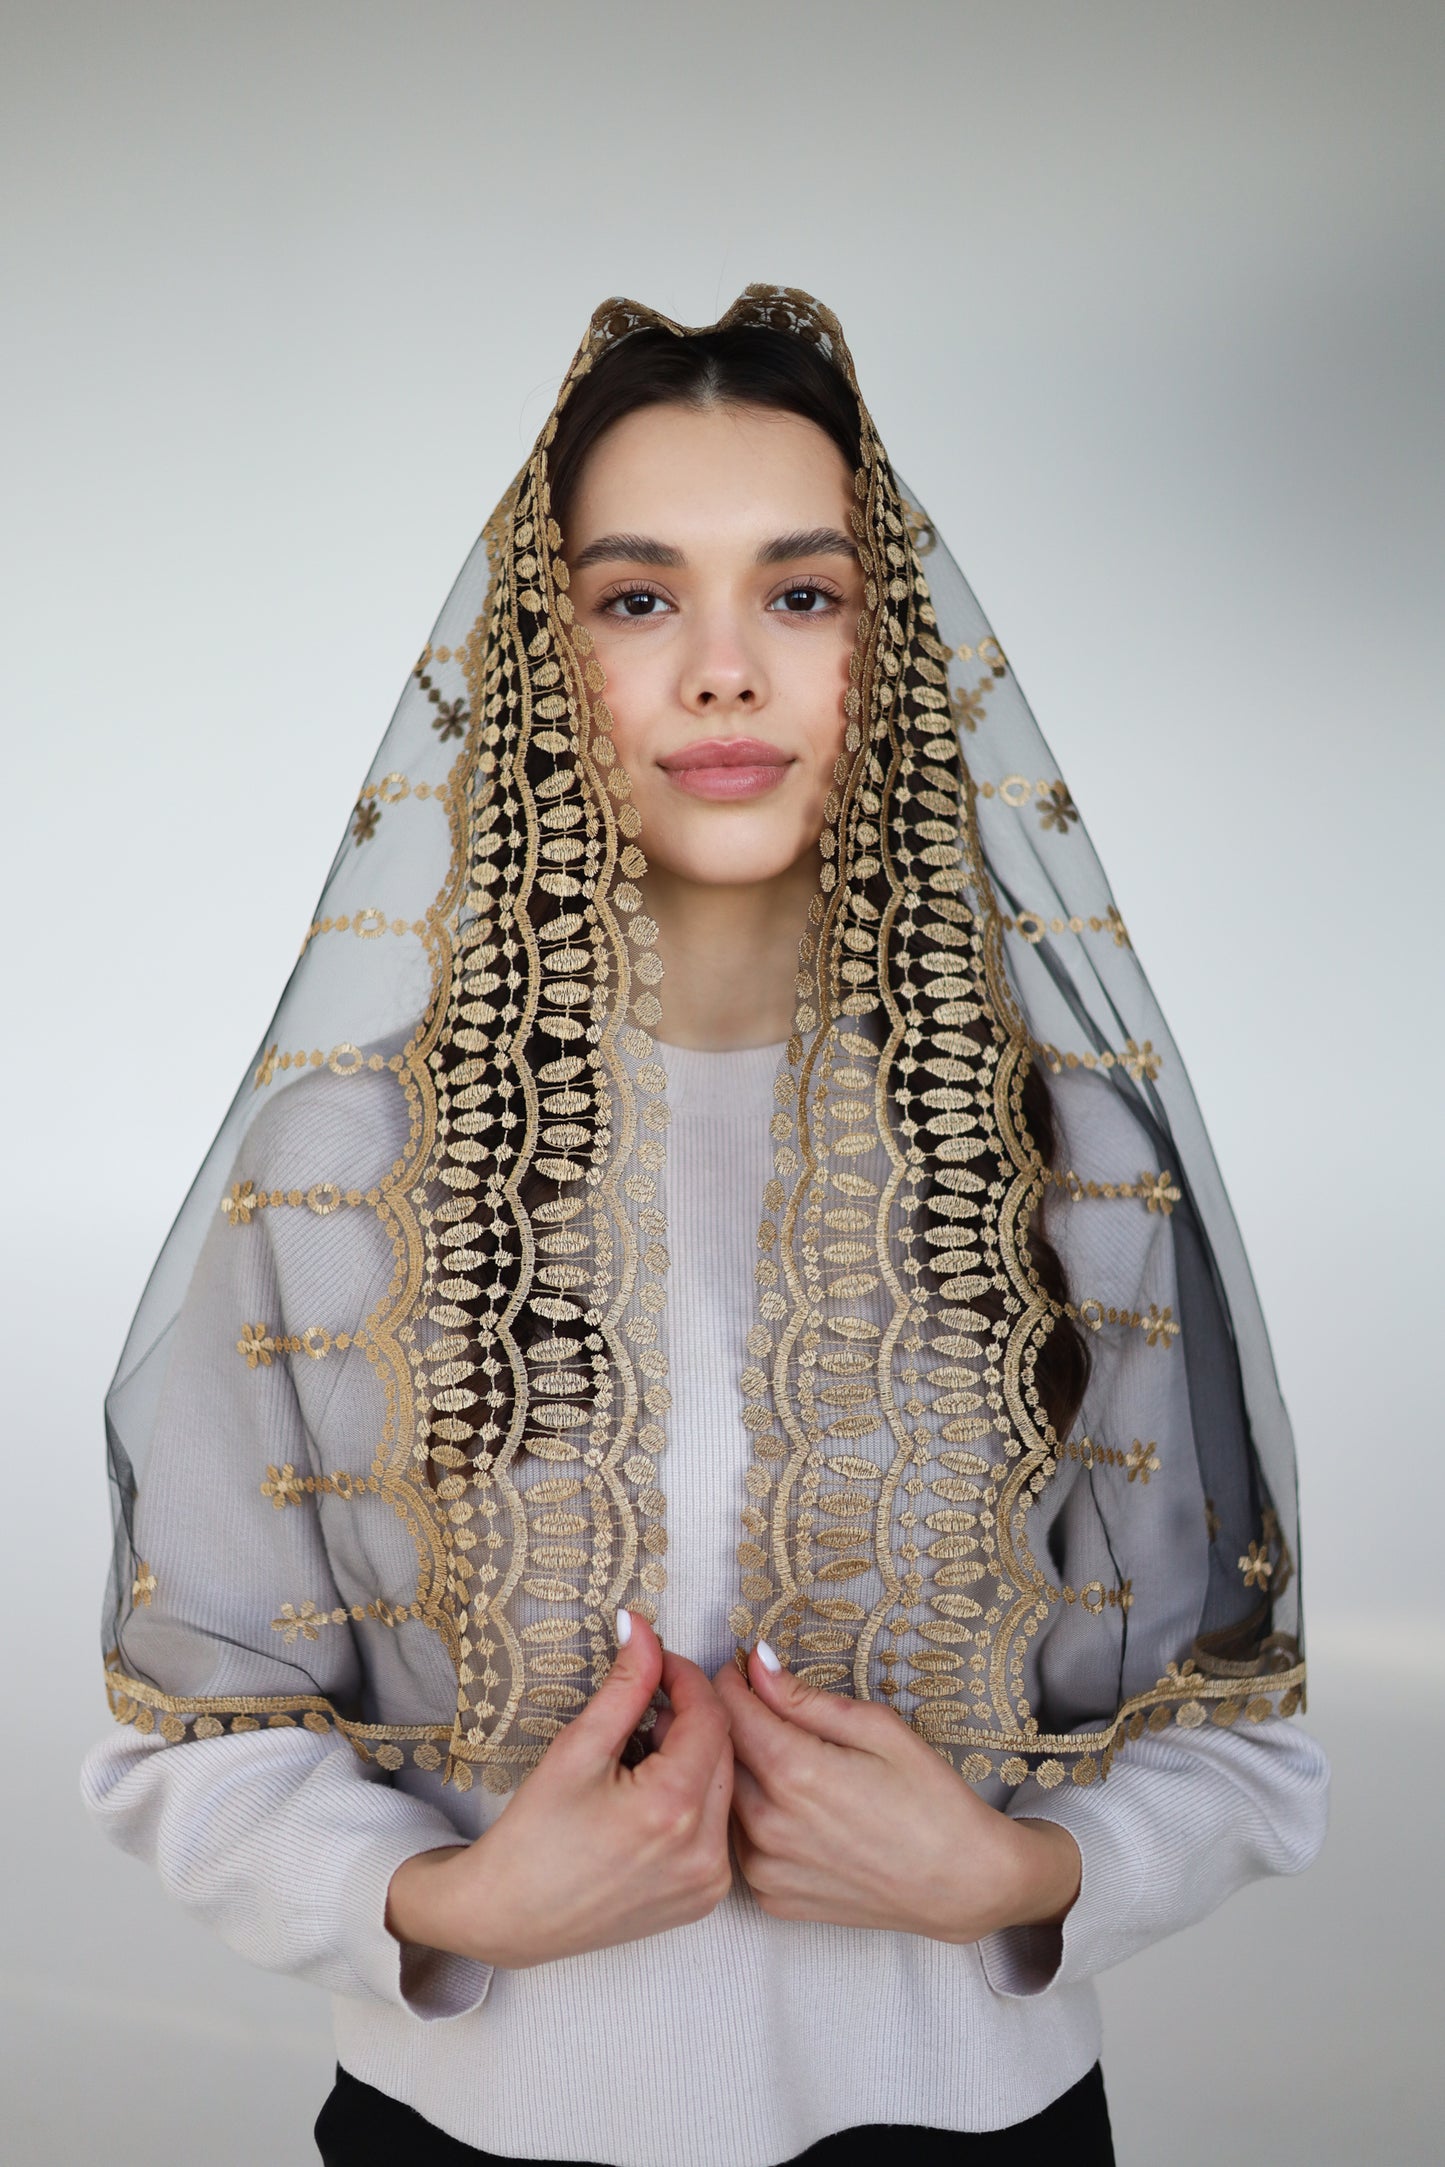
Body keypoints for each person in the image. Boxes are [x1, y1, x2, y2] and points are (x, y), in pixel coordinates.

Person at [83, 288, 1328, 2167]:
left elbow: (1236, 1733)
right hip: (465, 2137)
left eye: (802, 594)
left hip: (973, 2132)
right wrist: (448, 1911)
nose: (725, 672)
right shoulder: (343, 1168)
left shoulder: (1070, 1160)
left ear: (887, 653)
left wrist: (1014, 1866)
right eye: (640, 597)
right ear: (538, 650)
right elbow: (194, 1729)